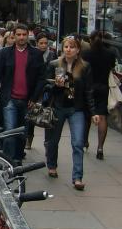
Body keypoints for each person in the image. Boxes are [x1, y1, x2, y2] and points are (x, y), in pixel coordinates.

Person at [36, 35, 95, 190]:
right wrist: (56, 85)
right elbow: (46, 87)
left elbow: (89, 90)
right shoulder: (55, 64)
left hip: (77, 108)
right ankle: (52, 165)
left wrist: (93, 112)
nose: (68, 50)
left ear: (78, 50)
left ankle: (77, 177)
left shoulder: (85, 67)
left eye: (72, 47)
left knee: (77, 143)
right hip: (58, 106)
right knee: (53, 140)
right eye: (66, 47)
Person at [0, 23, 45, 164]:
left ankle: (18, 158)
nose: (21, 37)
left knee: (22, 133)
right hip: (9, 99)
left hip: (27, 100)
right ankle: (8, 161)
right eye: (18, 35)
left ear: (28, 36)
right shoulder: (5, 53)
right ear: (13, 36)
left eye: (24, 35)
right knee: (10, 131)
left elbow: (41, 78)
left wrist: (35, 97)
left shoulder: (36, 54)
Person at [83, 31, 119, 160]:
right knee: (103, 117)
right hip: (104, 87)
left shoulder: (86, 54)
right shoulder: (110, 54)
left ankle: (85, 141)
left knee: (87, 115)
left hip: (89, 88)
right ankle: (100, 148)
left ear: (90, 40)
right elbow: (112, 68)